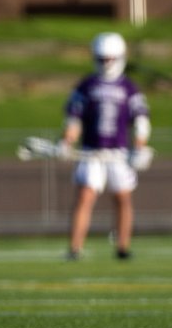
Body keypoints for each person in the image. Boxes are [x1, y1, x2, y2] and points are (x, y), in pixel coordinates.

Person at [61, 31, 152, 261]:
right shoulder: (86, 86)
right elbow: (74, 119)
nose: (106, 64)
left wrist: (140, 146)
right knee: (85, 196)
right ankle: (75, 248)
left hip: (118, 153)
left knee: (123, 198)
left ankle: (123, 247)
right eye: (102, 59)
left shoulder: (129, 88)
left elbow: (140, 120)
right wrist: (67, 141)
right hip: (91, 152)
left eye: (110, 59)